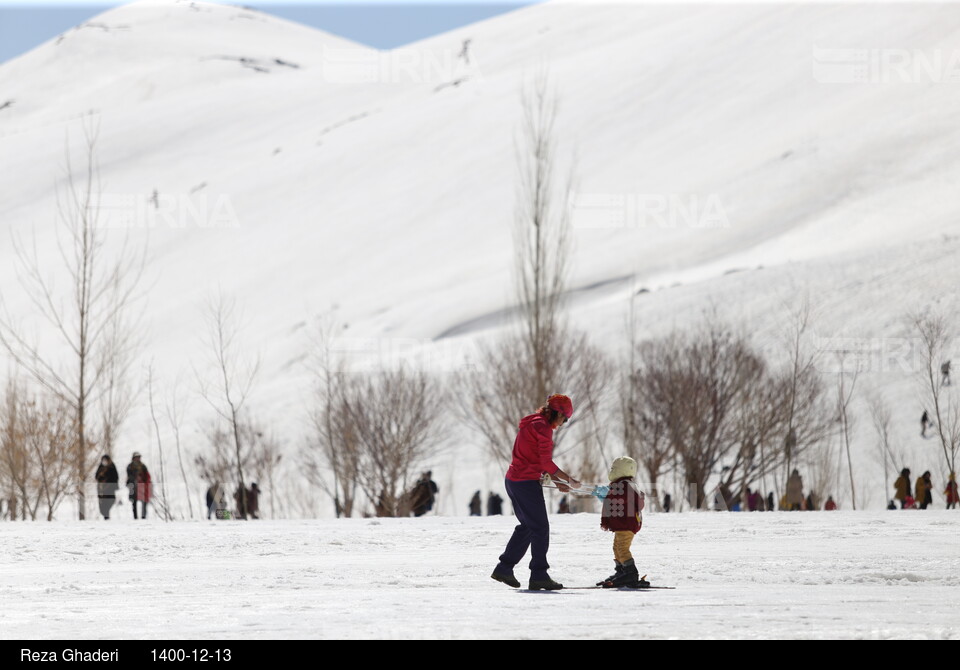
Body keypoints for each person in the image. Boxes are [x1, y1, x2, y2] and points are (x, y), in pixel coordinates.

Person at [491, 393, 579, 591]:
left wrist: (557, 481)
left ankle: (504, 568)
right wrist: (567, 479)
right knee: (540, 528)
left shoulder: (532, 422)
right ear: (557, 413)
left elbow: (538, 461)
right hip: (525, 483)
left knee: (529, 526)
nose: (563, 423)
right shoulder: (543, 428)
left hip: (514, 480)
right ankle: (539, 575)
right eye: (564, 419)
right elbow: (545, 462)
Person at [594, 456, 647, 588]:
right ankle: (621, 571)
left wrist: (609, 494)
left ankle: (631, 573)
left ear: (620, 470)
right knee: (617, 548)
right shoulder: (624, 484)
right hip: (623, 524)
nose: (611, 471)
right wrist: (606, 497)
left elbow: (620, 498)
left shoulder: (625, 485)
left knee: (622, 548)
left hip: (626, 524)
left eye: (613, 469)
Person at [126, 452, 151, 520]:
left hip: (141, 485)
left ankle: (143, 516)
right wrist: (135, 478)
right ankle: (135, 517)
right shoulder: (130, 466)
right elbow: (129, 475)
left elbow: (147, 476)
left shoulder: (143, 466)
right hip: (132, 485)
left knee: (144, 501)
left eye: (138, 457)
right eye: (136, 457)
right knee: (134, 502)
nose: (137, 459)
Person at [95, 455, 119, 520]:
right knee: (102, 504)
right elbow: (97, 477)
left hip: (110, 488)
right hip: (102, 489)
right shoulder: (100, 467)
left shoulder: (112, 466)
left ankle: (106, 515)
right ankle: (106, 515)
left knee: (110, 501)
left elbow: (115, 477)